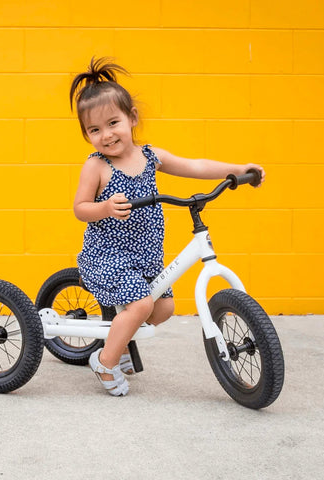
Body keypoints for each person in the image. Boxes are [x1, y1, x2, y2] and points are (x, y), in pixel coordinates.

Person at [71, 57, 265, 396]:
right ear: (87, 135)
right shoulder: (96, 166)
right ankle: (105, 361)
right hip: (108, 256)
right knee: (142, 304)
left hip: (144, 258)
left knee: (163, 308)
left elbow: (194, 165)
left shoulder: (151, 156)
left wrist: (237, 170)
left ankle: (121, 340)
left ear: (132, 118)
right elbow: (80, 209)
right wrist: (103, 207)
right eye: (94, 130)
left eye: (113, 122)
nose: (106, 135)